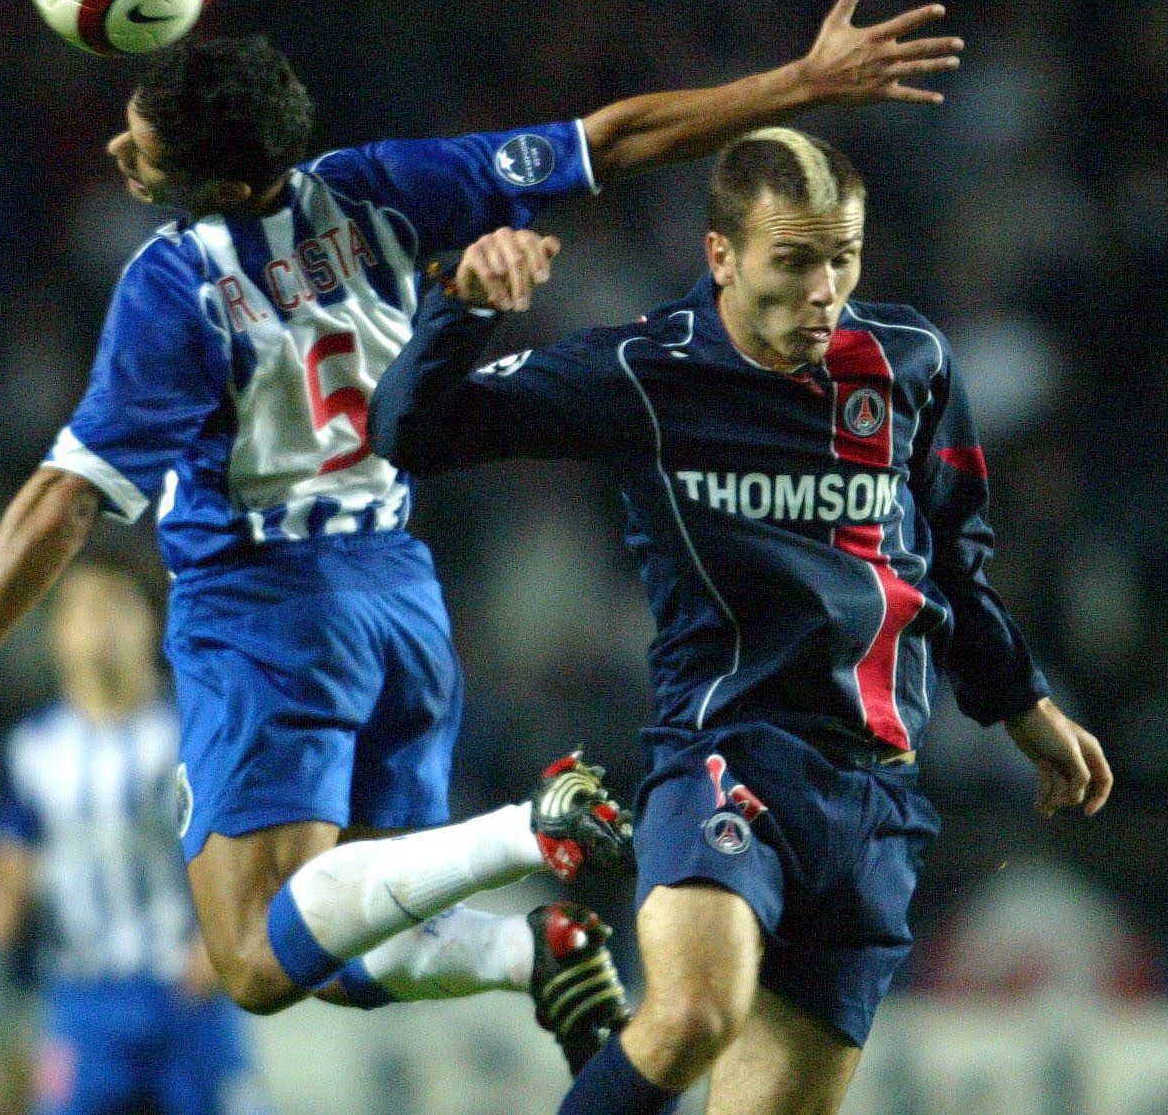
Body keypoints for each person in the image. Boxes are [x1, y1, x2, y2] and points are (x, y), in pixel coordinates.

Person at [0, 0, 963, 1073]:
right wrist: (801, 85)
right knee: (344, 932)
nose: (120, 156)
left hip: (261, 611)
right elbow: (615, 139)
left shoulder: (173, 286)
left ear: (230, 183)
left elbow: (64, 496)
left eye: (145, 152)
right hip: (398, 600)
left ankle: (523, 835)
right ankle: (535, 943)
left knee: (249, 958)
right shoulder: (384, 187)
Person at [368, 128, 1114, 1115]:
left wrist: (1024, 704)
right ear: (720, 254)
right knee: (691, 1014)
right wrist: (461, 307)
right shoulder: (642, 371)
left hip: (876, 799)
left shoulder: (912, 364)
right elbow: (410, 433)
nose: (825, 291)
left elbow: (953, 565)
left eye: (843, 258)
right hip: (726, 752)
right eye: (795, 261)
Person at [0, 563, 271, 1115]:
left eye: (116, 605)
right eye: (84, 609)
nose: (101, 624)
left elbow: (251, 851)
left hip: (187, 995)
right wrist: (2, 917)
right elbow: (9, 865)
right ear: (57, 633)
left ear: (151, 622)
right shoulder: (35, 747)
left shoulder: (193, 732)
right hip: (84, 1001)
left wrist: (222, 941)